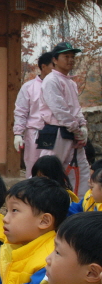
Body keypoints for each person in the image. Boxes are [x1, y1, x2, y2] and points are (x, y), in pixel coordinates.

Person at [37, 42, 90, 196]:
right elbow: (59, 109)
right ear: (55, 59)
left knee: (80, 169)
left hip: (72, 131)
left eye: (72, 57)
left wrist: (83, 126)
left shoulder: (71, 83)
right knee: (49, 169)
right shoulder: (51, 80)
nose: (70, 60)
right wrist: (76, 128)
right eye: (66, 56)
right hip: (57, 131)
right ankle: (42, 201)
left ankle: (80, 205)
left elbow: (75, 107)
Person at [14, 52, 55, 173]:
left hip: (56, 131)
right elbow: (21, 111)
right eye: (53, 65)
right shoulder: (29, 87)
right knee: (33, 167)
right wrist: (18, 133)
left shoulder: (62, 86)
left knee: (54, 167)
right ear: (44, 66)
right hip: (35, 132)